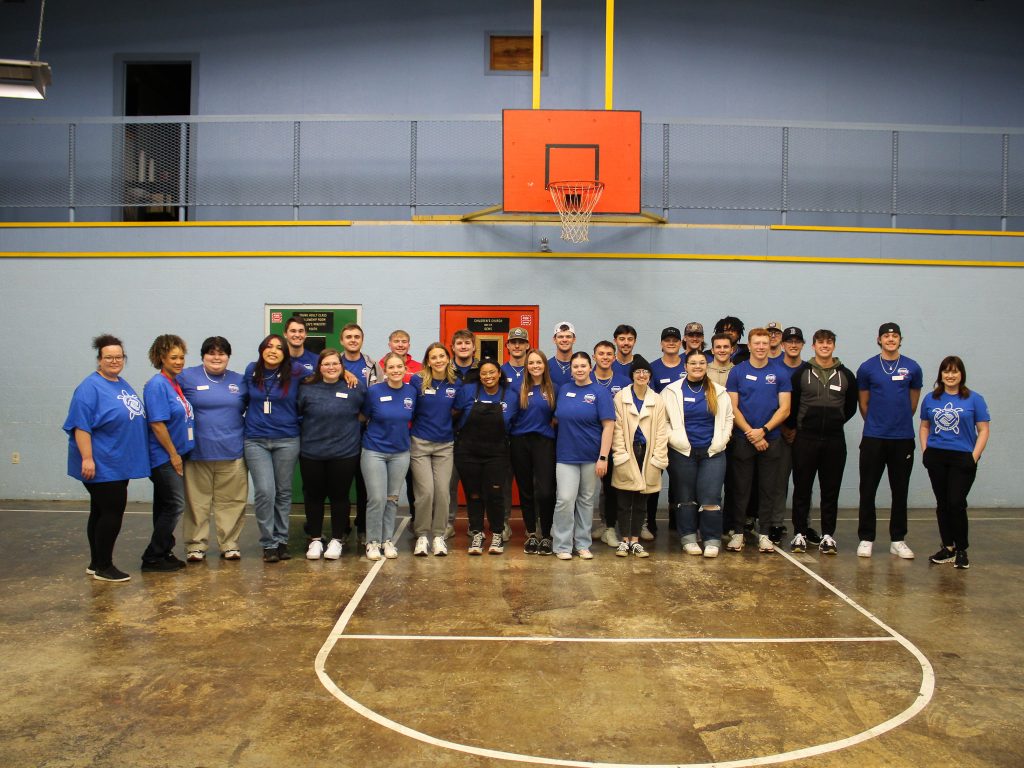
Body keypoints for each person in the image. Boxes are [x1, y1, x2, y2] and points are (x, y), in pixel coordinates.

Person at [63, 334, 150, 582]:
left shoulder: (119, 382)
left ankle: (95, 563)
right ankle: (104, 565)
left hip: (118, 462)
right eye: (109, 357)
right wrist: (87, 458)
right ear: (99, 359)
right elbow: (81, 426)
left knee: (100, 512)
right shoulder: (89, 387)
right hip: (102, 463)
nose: (114, 360)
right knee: (112, 512)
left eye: (118, 356)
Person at [787, 330, 858, 555]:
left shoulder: (846, 375)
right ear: (814, 346)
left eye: (829, 342)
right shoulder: (801, 374)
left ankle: (828, 535)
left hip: (834, 440)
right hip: (805, 438)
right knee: (802, 488)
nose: (825, 346)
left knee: (830, 489)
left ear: (834, 346)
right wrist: (802, 425)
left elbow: (850, 408)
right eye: (820, 342)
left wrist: (833, 423)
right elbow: (793, 405)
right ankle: (799, 532)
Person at [178, 336, 248, 562]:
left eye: (222, 353)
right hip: (198, 452)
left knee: (231, 503)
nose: (216, 357)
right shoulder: (186, 377)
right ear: (203, 356)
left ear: (228, 357)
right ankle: (196, 546)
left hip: (232, 452)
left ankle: (229, 544)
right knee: (197, 503)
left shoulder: (240, 381)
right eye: (211, 353)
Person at [856, 322, 923, 560]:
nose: (890, 339)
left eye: (894, 336)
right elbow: (863, 404)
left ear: (900, 340)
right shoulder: (867, 368)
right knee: (868, 489)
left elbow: (913, 403)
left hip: (902, 438)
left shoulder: (912, 367)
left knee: (900, 490)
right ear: (879, 340)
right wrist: (877, 422)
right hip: (874, 437)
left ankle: (898, 539)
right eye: (886, 336)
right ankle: (866, 538)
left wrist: (899, 421)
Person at [920, 356, 990, 570]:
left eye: (955, 371)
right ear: (941, 375)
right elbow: (924, 426)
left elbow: (984, 430)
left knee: (956, 503)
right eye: (946, 371)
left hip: (963, 458)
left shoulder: (974, 399)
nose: (950, 375)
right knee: (942, 504)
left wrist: (973, 456)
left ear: (961, 374)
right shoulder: (931, 399)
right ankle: (948, 548)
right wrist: (926, 451)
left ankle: (962, 549)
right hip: (937, 457)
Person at [726, 328, 791, 554]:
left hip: (771, 440)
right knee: (740, 489)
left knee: (768, 489)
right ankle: (738, 534)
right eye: (757, 343)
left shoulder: (781, 373)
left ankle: (764, 534)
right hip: (744, 439)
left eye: (765, 343)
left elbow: (785, 409)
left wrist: (763, 431)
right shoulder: (737, 372)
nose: (761, 347)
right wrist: (751, 433)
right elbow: (733, 408)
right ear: (750, 346)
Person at [664, 349, 734, 557]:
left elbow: (728, 418)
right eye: (693, 363)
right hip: (682, 452)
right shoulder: (671, 391)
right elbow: (663, 421)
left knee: (711, 497)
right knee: (685, 497)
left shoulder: (719, 391)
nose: (697, 366)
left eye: (701, 363)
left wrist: (722, 440)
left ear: (707, 366)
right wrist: (675, 440)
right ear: (685, 367)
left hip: (712, 453)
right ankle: (688, 538)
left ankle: (711, 539)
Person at [297, 349, 365, 560]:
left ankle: (337, 540)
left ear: (341, 366)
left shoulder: (354, 387)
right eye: (326, 364)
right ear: (319, 366)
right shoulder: (306, 388)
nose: (331, 367)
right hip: (312, 452)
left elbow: (364, 413)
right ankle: (315, 540)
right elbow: (298, 413)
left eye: (335, 363)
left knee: (340, 497)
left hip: (344, 452)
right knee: (314, 496)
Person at [243, 334, 302, 563]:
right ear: (262, 349)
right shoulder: (251, 370)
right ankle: (268, 543)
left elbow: (324, 373)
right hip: (256, 440)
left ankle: (282, 540)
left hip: (287, 439)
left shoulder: (295, 372)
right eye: (269, 346)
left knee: (284, 491)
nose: (274, 350)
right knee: (265, 492)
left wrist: (345, 372)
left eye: (279, 347)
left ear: (285, 353)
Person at [552, 352, 615, 560]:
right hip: (566, 455)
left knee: (586, 501)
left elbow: (608, 426)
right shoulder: (564, 390)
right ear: (571, 369)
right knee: (565, 499)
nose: (579, 369)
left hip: (591, 457)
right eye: (575, 366)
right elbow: (556, 419)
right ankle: (562, 544)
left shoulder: (600, 392)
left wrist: (603, 457)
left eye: (583, 366)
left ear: (590, 367)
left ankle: (582, 544)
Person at [452, 358, 519, 555]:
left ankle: (497, 533)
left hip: (497, 452)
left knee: (495, 494)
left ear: (499, 373)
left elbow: (515, 423)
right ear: (479, 376)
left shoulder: (511, 396)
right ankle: (477, 534)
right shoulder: (467, 391)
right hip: (468, 451)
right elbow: (454, 413)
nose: (488, 376)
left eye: (492, 372)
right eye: (484, 373)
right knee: (473, 494)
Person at [141, 334, 195, 572]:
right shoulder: (157, 385)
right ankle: (153, 555)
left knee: (163, 506)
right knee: (175, 504)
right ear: (161, 357)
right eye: (173, 357)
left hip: (177, 454)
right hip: (163, 457)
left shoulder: (175, 383)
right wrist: (173, 454)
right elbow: (157, 424)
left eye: (182, 357)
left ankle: (164, 550)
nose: (179, 361)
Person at [361, 353, 417, 560]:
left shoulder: (411, 392)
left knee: (392, 498)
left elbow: (413, 418)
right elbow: (363, 416)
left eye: (399, 367)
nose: (395, 371)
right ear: (385, 369)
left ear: (404, 369)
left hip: (400, 453)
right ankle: (372, 542)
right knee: (376, 498)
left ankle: (387, 540)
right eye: (391, 367)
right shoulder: (374, 391)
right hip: (374, 451)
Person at [611, 355, 669, 557]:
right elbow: (617, 429)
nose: (642, 375)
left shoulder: (657, 400)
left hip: (648, 452)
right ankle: (623, 539)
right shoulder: (621, 398)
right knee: (624, 497)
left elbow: (662, 431)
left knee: (642, 499)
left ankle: (635, 540)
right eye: (638, 372)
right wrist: (620, 454)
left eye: (645, 372)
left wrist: (658, 457)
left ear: (650, 375)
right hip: (628, 451)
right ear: (632, 376)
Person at [409, 342, 459, 557]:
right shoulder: (417, 380)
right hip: (420, 443)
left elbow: (459, 410)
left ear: (448, 358)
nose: (438, 360)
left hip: (445, 445)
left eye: (441, 356)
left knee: (442, 492)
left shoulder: (456, 382)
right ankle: (421, 535)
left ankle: (438, 536)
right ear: (428, 361)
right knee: (425, 492)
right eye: (433, 357)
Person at [510, 349, 558, 555]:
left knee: (546, 491)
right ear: (526, 366)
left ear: (544, 365)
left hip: (544, 442)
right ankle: (531, 533)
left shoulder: (553, 388)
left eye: (539, 362)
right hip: (520, 442)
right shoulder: (518, 388)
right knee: (526, 489)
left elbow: (559, 415)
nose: (535, 366)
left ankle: (546, 535)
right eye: (531, 363)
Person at [340, 322, 379, 543]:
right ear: (342, 340)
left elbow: (378, 395)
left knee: (364, 485)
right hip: (340, 434)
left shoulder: (371, 365)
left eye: (356, 336)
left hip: (365, 433)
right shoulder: (333, 363)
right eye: (348, 337)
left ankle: (363, 527)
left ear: (362, 340)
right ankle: (343, 528)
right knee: (342, 484)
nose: (353, 340)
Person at [591, 340, 630, 547]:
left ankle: (609, 527)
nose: (605, 357)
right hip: (587, 440)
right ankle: (584, 527)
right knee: (584, 488)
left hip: (614, 441)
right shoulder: (584, 378)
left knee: (611, 487)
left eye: (608, 354)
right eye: (601, 353)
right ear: (593, 357)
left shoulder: (624, 382)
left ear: (614, 358)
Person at [774, 327, 806, 545]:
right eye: (789, 341)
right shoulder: (773, 368)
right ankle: (776, 523)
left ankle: (803, 528)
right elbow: (769, 402)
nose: (793, 345)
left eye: (797, 341)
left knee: (804, 482)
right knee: (779, 482)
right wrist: (784, 427)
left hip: (805, 435)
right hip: (780, 432)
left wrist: (799, 429)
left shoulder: (809, 369)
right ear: (782, 344)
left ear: (802, 344)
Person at [548, 321, 577, 388]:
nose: (564, 340)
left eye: (568, 336)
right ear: (554, 340)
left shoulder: (581, 366)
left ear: (574, 339)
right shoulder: (546, 366)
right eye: (560, 337)